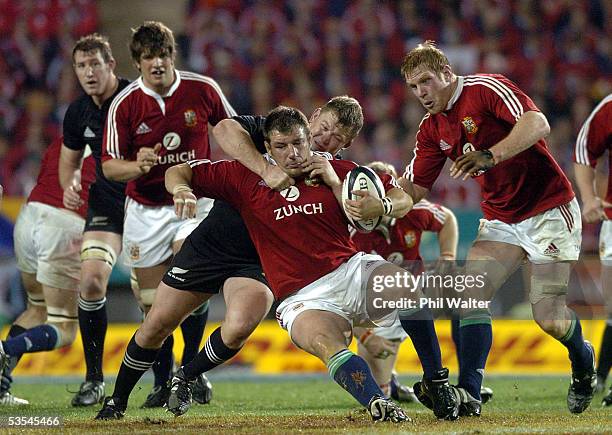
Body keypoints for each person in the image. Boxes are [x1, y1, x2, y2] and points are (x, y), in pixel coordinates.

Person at [96, 106, 461, 423]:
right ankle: (117, 400)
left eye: (300, 144)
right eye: (282, 147)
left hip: (333, 269)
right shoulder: (246, 174)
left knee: (404, 288)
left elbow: (400, 194)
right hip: (236, 260)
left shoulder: (339, 171)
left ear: (310, 140)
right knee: (157, 323)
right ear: (267, 148)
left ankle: (431, 386)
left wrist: (375, 203)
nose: (293, 153)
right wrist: (181, 191)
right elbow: (186, 168)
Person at [397, 41, 595, 416]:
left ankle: (583, 362)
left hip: (549, 211)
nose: (420, 92)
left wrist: (492, 155)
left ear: (446, 72)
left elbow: (538, 123)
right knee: (469, 291)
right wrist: (382, 204)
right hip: (502, 219)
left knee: (549, 318)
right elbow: (413, 188)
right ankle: (470, 392)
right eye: (413, 87)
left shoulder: (485, 89)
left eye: (425, 81)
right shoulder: (432, 128)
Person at [101, 21, 235, 407]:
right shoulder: (124, 105)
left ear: (172, 56)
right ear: (138, 63)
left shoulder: (202, 88)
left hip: (193, 200)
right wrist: (137, 166)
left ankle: (191, 374)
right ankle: (164, 381)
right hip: (145, 209)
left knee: (190, 281)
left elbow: (229, 128)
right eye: (148, 58)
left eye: (162, 55)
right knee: (152, 305)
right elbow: (110, 166)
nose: (156, 64)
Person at [58, 33, 132, 407]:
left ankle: (170, 380)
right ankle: (93, 380)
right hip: (104, 206)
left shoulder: (137, 100)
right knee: (89, 282)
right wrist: (70, 185)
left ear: (111, 66)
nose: (88, 72)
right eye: (81, 66)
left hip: (146, 206)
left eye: (94, 65)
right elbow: (68, 163)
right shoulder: (77, 112)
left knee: (155, 301)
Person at [0, 136, 95, 405]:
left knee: (36, 308)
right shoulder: (118, 140)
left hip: (29, 216)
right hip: (62, 224)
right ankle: (5, 349)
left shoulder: (68, 133)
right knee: (64, 327)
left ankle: (0, 386)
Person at [573, 92, 612, 407]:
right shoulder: (609, 108)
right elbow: (585, 151)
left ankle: (600, 376)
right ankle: (600, 375)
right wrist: (587, 198)